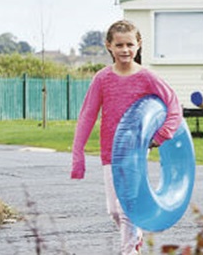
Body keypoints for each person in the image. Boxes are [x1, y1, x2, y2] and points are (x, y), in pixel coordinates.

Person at [71, 20, 183, 255]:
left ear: (139, 45)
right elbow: (87, 116)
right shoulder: (102, 79)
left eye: (130, 44)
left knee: (125, 208)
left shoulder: (147, 78)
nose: (125, 50)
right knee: (113, 210)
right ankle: (136, 235)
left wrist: (161, 136)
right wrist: (77, 155)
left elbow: (173, 106)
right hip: (109, 152)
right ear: (109, 46)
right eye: (119, 45)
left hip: (136, 151)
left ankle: (129, 250)